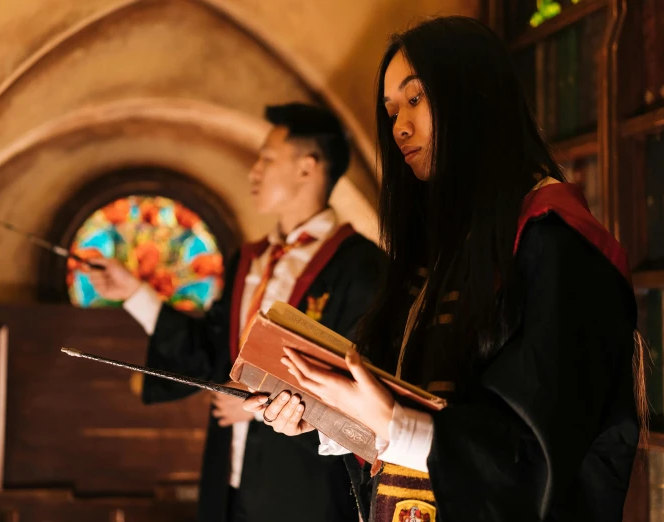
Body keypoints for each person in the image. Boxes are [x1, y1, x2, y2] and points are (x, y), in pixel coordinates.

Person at [245, 17, 645, 522]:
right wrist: (326, 413)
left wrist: (391, 420)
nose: (399, 128)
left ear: (475, 98)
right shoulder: (440, 254)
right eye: (391, 111)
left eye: (415, 99)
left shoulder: (557, 240)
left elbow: (543, 454)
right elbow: (406, 417)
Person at [86, 102, 385, 522]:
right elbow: (209, 357)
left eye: (266, 158)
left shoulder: (360, 267)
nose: (253, 172)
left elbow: (359, 390)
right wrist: (134, 292)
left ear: (307, 168)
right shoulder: (248, 262)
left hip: (304, 489)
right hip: (229, 475)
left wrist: (262, 408)